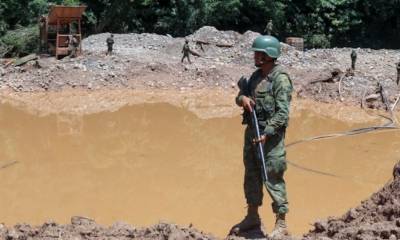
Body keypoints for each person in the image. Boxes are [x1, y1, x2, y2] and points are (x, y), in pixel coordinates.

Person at [230, 35, 293, 239]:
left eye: (259, 53)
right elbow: (240, 96)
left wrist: (267, 132)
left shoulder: (280, 79)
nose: (255, 56)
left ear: (269, 55)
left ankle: (281, 223)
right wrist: (243, 99)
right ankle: (252, 216)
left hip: (270, 139)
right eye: (256, 53)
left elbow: (283, 113)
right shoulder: (256, 77)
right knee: (252, 176)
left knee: (272, 177)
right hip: (252, 136)